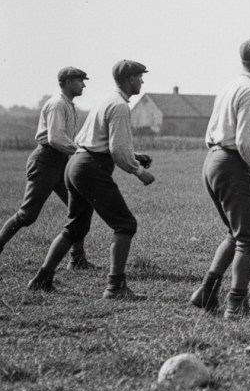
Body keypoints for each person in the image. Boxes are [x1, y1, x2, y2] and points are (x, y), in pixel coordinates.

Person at [26, 60, 156, 300]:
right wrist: (138, 171)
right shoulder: (119, 106)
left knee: (75, 228)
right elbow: (118, 152)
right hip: (90, 168)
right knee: (125, 225)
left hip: (76, 164)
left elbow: (100, 141)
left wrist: (134, 154)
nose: (142, 81)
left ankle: (42, 279)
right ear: (130, 80)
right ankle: (115, 287)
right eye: (140, 77)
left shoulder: (108, 100)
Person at [190, 39, 250, 320]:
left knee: (235, 234)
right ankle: (235, 305)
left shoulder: (231, 86)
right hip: (232, 164)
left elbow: (229, 133)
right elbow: (246, 143)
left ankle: (206, 293)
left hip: (214, 160)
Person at [0, 67, 99, 270]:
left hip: (61, 161)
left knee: (80, 207)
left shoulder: (69, 105)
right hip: (45, 161)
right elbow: (55, 138)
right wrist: (80, 151)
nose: (84, 85)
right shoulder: (57, 104)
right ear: (68, 82)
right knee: (28, 214)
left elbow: (65, 138)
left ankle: (77, 259)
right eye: (80, 81)